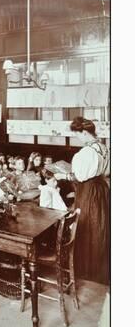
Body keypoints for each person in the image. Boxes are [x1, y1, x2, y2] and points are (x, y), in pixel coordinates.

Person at [54, 117, 110, 285]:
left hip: (88, 192)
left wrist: (62, 175)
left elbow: (79, 176)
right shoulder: (103, 148)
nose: (77, 138)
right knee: (99, 225)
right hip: (100, 189)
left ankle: (88, 270)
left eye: (77, 134)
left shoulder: (86, 152)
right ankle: (99, 267)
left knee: (86, 225)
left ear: (85, 132)